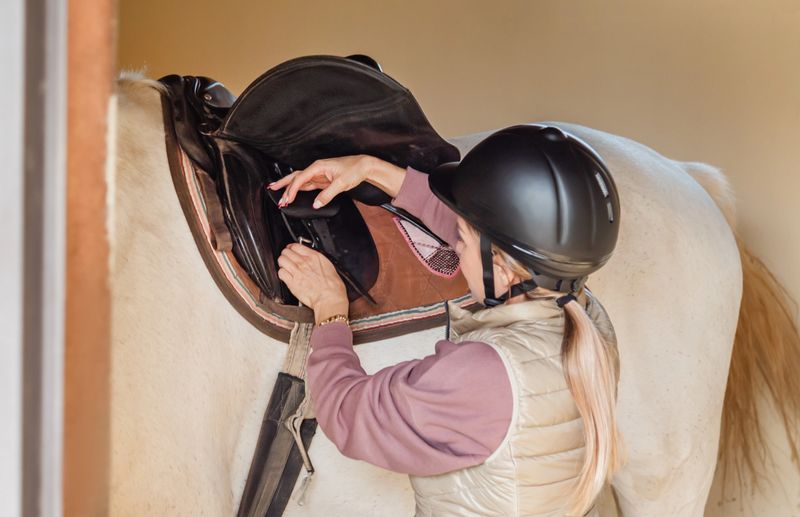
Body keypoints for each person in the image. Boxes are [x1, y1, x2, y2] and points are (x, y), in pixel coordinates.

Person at [267, 124, 624, 516]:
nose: (454, 245)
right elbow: (492, 240)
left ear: (503, 270)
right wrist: (373, 170)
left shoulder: (484, 375)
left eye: (464, 242)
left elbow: (348, 414)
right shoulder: (589, 320)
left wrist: (329, 309)